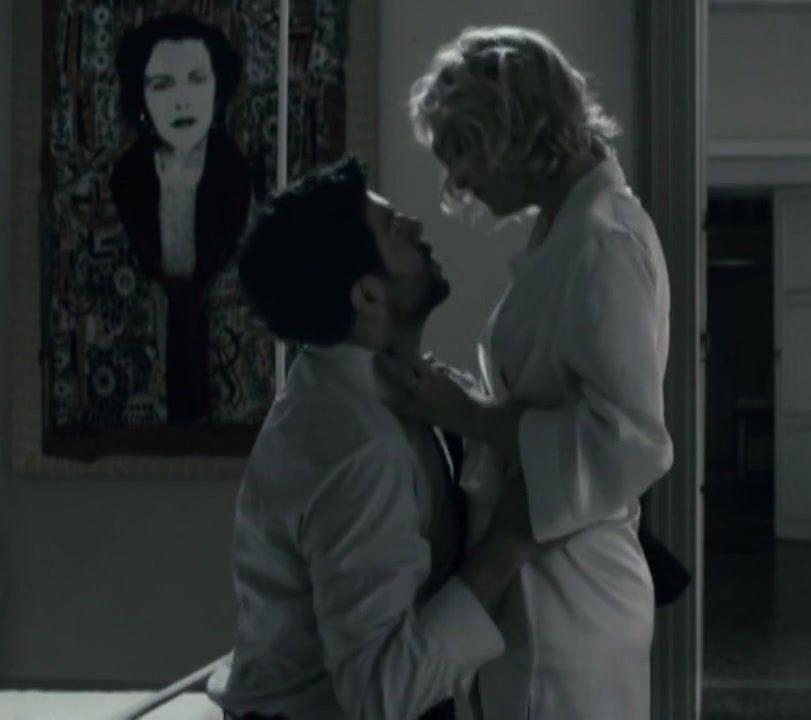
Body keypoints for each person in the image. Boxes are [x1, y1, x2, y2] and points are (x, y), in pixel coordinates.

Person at [384, 26, 674, 719]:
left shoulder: (604, 241)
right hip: (545, 584)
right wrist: (470, 401)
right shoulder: (571, 229)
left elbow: (628, 442)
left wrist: (469, 416)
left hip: (571, 600)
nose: (456, 182)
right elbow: (559, 393)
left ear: (511, 129)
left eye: (461, 151)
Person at [207, 156, 538, 720]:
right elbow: (381, 693)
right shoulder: (362, 449)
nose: (415, 226)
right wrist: (508, 543)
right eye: (393, 228)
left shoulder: (366, 386)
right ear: (367, 296)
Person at [110, 13, 252, 424]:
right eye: (162, 85)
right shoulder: (126, 178)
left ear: (218, 88)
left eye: (196, 80)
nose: (182, 100)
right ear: (141, 98)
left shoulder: (236, 173)